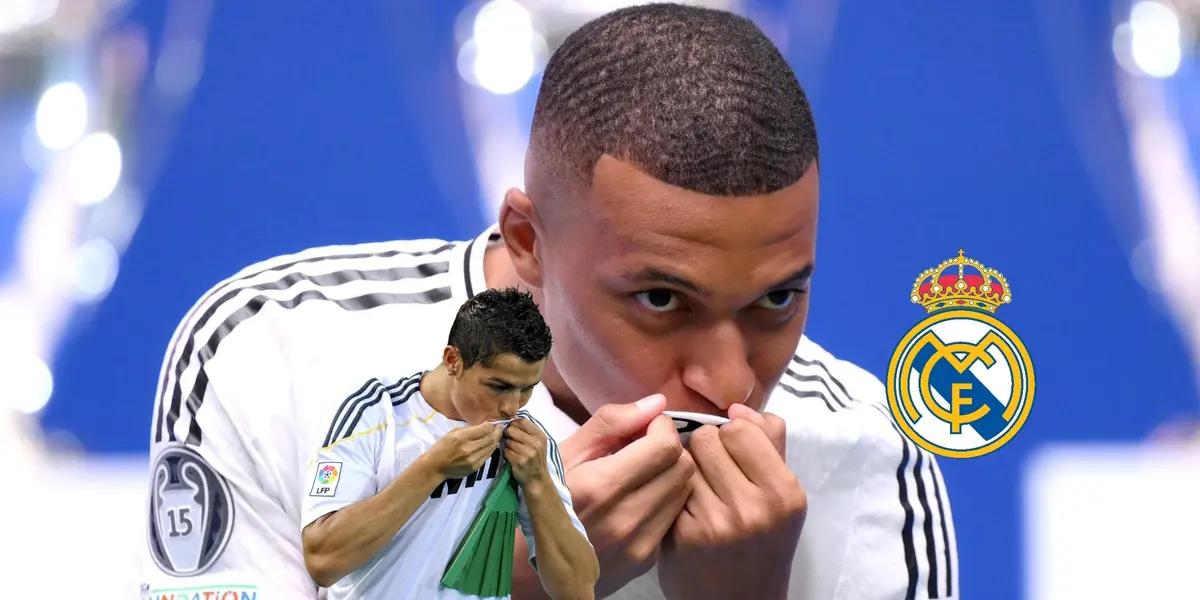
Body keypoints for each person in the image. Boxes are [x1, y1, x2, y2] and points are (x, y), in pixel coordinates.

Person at [142, 4, 957, 600]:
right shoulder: (268, 346)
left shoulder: (869, 445)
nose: (731, 381)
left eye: (777, 298)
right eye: (662, 298)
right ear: (528, 242)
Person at [299, 288, 597, 599]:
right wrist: (432, 468)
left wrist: (538, 483)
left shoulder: (528, 441)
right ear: (453, 360)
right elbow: (323, 561)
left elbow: (577, 590)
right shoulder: (374, 415)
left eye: (527, 389)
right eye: (499, 386)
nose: (513, 406)